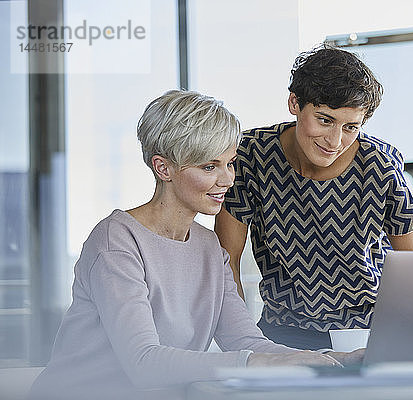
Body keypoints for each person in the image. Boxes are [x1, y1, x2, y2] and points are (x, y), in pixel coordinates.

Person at [29, 90, 354, 400]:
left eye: (229, 163)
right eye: (209, 167)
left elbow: (245, 341)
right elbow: (143, 362)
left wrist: (337, 357)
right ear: (163, 167)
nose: (227, 180)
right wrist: (256, 363)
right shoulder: (117, 241)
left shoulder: (209, 247)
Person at [215, 45, 413, 350]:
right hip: (282, 333)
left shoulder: (379, 163)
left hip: (369, 330)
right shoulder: (251, 155)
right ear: (294, 103)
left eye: (351, 127)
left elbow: (412, 264)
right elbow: (227, 261)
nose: (335, 141)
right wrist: (241, 342)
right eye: (325, 120)